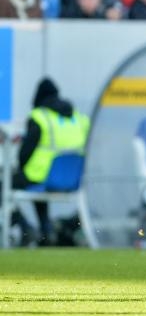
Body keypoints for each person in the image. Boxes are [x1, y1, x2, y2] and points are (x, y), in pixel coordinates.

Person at [3, 78, 90, 245]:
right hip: (73, 179)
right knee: (38, 193)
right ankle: (46, 231)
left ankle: (25, 226)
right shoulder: (79, 118)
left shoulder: (39, 117)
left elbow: (25, 154)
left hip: (41, 174)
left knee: (4, 184)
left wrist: (18, 168)